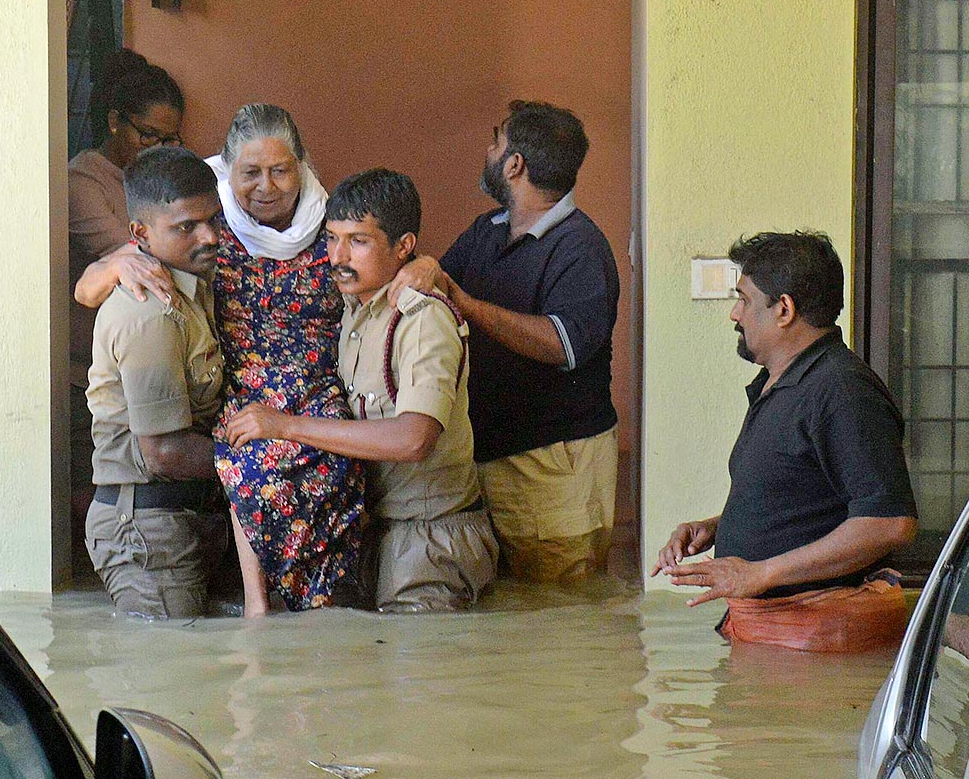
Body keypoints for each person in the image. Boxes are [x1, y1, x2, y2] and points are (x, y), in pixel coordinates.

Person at [77, 104, 364, 618]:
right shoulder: (168, 274)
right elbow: (162, 452)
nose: (266, 186)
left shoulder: (331, 232)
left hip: (246, 470)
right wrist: (270, 457)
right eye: (250, 172)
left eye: (281, 170)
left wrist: (429, 270)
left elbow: (390, 264)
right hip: (200, 479)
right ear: (227, 172)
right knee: (178, 658)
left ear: (303, 166)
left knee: (298, 638)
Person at [226, 169, 497, 612]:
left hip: (431, 537)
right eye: (332, 238)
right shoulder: (353, 309)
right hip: (374, 531)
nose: (338, 255)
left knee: (424, 672)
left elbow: (413, 439)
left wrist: (287, 426)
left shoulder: (421, 319)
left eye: (359, 240)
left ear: (404, 247)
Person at [651, 231, 919, 653]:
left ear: (784, 309)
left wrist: (759, 574)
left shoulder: (842, 391)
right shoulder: (783, 383)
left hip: (814, 637)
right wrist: (718, 527)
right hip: (772, 637)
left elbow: (889, 522)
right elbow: (804, 500)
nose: (734, 314)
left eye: (743, 299)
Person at [390, 100, 620, 584]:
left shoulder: (582, 247)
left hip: (552, 471)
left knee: (562, 619)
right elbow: (441, 291)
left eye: (496, 141)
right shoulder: (487, 229)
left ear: (514, 164)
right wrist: (426, 268)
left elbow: (564, 345)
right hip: (485, 460)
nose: (488, 149)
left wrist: (470, 305)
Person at [84, 146, 228, 619]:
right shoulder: (149, 309)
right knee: (168, 680)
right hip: (146, 529)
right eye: (187, 227)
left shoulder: (194, 283)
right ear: (140, 234)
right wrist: (268, 461)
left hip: (181, 518)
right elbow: (163, 452)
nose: (209, 236)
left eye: (214, 218)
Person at [68, 51, 185, 572]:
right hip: (89, 372)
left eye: (170, 140)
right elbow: (133, 258)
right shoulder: (83, 182)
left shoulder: (156, 178)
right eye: (148, 135)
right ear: (114, 121)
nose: (157, 149)